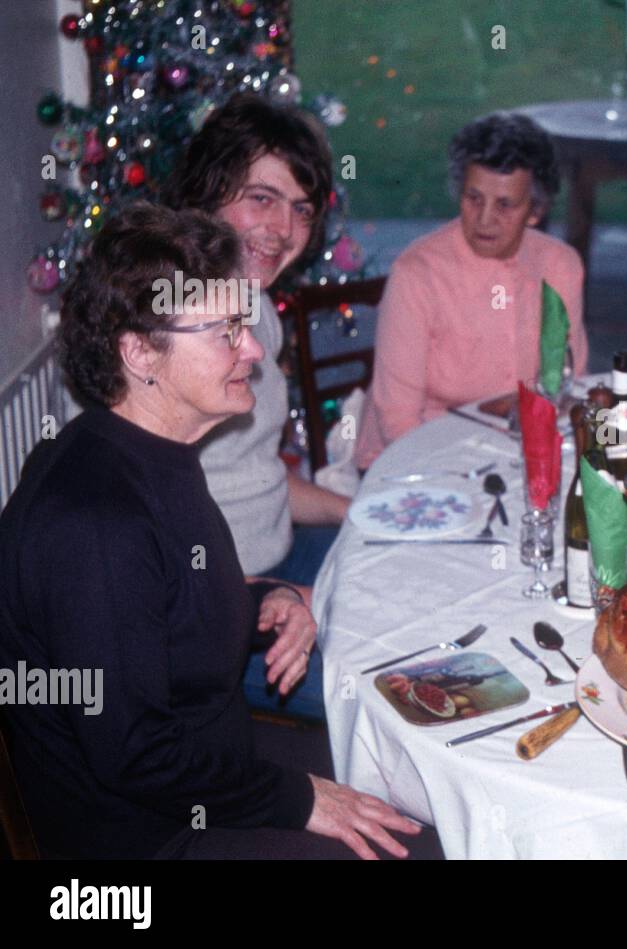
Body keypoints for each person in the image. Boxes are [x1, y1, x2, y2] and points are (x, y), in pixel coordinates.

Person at [0, 205, 425, 858]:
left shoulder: (155, 452)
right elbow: (135, 755)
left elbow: (169, 612)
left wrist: (269, 601)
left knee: (418, 778)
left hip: (212, 771)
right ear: (140, 352)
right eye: (227, 331)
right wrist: (304, 798)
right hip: (144, 846)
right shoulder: (92, 522)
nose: (252, 348)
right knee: (417, 843)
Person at [164, 93, 351, 718]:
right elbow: (148, 562)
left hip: (278, 556)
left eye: (300, 208)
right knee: (396, 687)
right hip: (218, 616)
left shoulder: (255, 307)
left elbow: (258, 475)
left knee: (420, 581)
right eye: (260, 198)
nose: (283, 230)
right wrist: (282, 596)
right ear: (207, 195)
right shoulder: (170, 336)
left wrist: (360, 515)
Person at [355, 113, 588, 469]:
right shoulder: (416, 275)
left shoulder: (560, 267)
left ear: (535, 210)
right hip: (414, 455)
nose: (483, 220)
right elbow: (397, 419)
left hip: (514, 455)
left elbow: (565, 388)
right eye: (473, 198)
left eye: (505, 205)